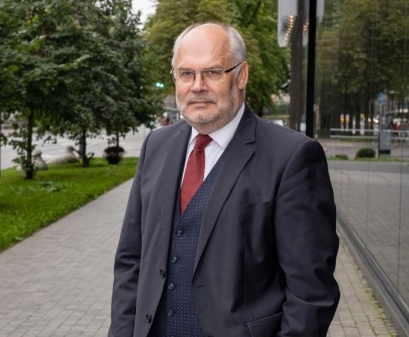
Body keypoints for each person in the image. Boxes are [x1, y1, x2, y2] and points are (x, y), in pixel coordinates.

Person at [109, 22, 339, 337]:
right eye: (186, 74)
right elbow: (131, 261)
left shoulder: (293, 157)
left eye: (213, 72)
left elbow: (311, 293)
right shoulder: (156, 146)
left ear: (241, 76)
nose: (197, 85)